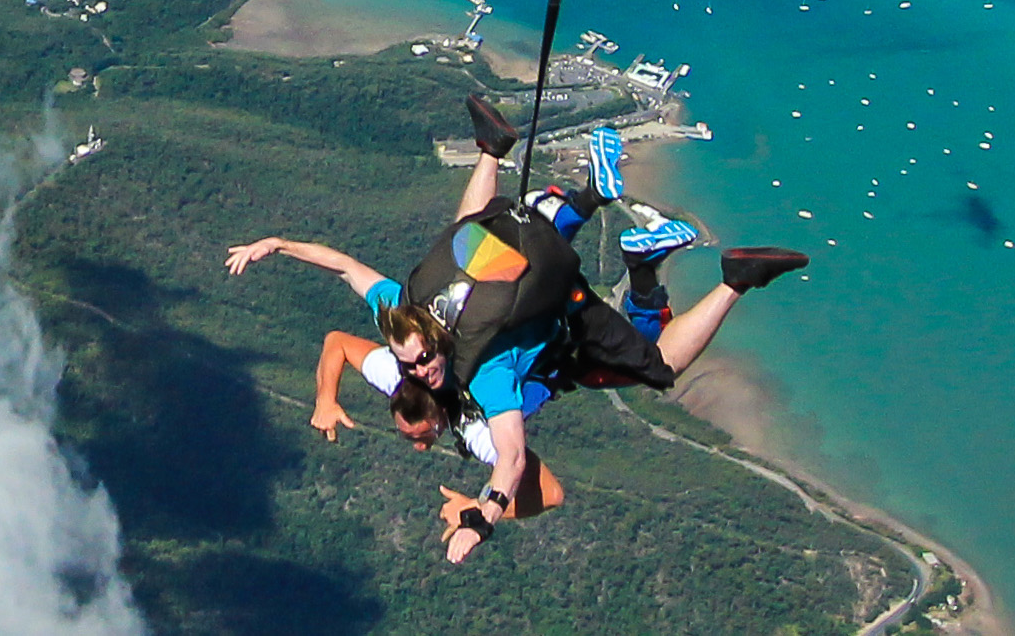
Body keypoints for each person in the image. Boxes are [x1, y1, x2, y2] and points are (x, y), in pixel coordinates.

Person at [226, 97, 808, 562]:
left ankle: (733, 278)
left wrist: (480, 514)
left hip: (564, 331)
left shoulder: (480, 394)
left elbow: (528, 474)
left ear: (431, 402)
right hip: (512, 262)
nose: (421, 440)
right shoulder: (405, 326)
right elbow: (344, 290)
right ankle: (498, 155)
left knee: (659, 366)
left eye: (419, 432)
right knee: (467, 234)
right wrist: (278, 250)